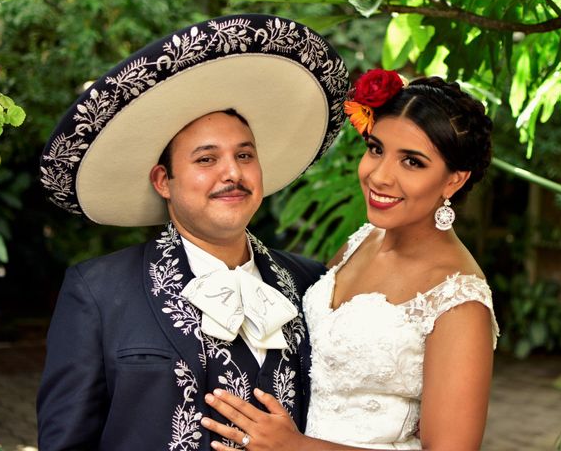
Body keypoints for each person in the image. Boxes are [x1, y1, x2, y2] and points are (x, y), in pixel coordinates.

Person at [36, 14, 348, 450]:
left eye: (245, 154)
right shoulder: (98, 291)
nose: (232, 173)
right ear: (163, 180)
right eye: (206, 160)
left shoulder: (309, 283)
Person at [199, 70, 499, 450]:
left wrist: (295, 447)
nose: (379, 175)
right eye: (376, 149)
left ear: (454, 180)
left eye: (412, 162)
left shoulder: (459, 300)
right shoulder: (362, 241)